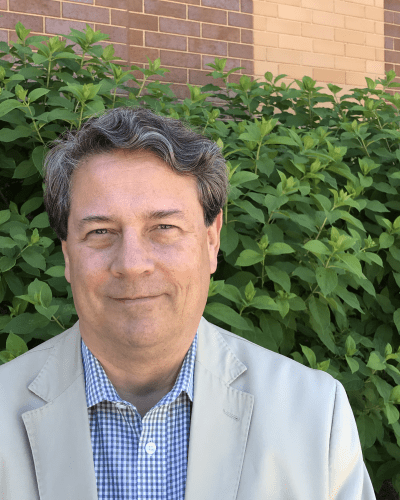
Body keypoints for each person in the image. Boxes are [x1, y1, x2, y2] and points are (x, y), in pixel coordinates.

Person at [0, 107, 376, 500]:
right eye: (100, 231)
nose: (132, 264)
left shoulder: (316, 414)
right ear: (67, 256)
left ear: (211, 242)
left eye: (164, 227)